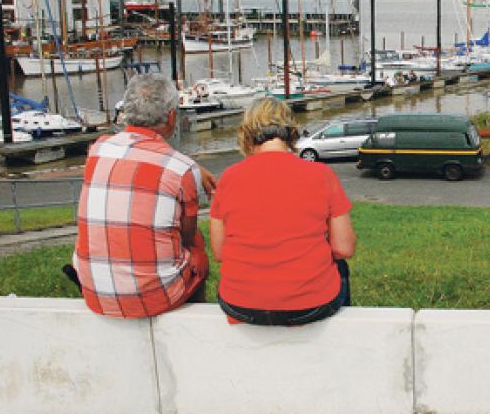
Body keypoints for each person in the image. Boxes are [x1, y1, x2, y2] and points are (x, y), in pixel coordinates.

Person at [72, 73, 213, 318]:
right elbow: (187, 235)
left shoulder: (97, 150)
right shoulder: (181, 170)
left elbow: (138, 155)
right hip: (154, 297)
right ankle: (193, 317)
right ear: (171, 117)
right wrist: (191, 168)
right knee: (197, 247)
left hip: (95, 291)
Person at [210, 98, 356, 326]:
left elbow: (220, 252)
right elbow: (343, 248)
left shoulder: (228, 177)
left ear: (247, 132)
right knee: (341, 268)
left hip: (240, 305)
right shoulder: (320, 174)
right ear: (290, 130)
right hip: (310, 305)